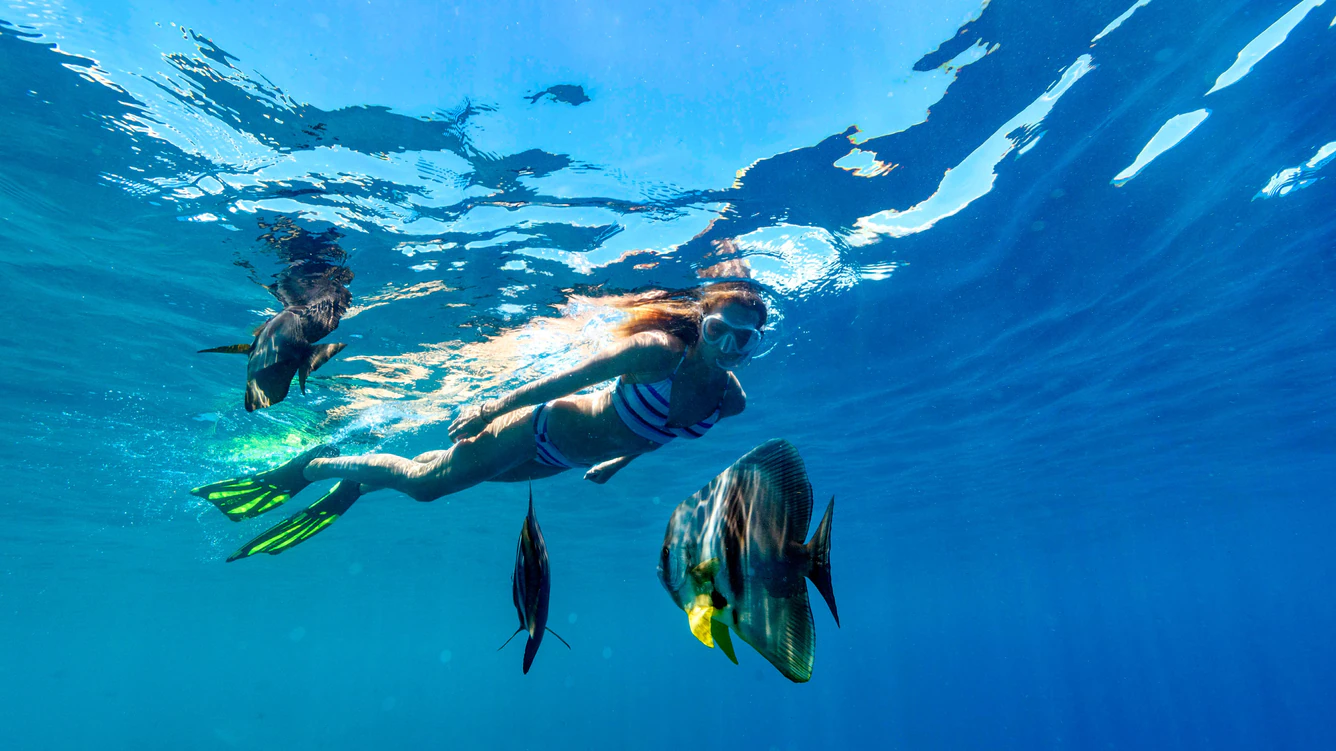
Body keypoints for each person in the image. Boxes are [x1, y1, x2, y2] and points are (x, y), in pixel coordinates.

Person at [191, 280, 768, 560]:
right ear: (703, 322)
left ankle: (358, 481)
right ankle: (314, 468)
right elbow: (568, 380)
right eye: (720, 330)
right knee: (426, 488)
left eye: (745, 339)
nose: (729, 345)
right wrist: (492, 408)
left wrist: (617, 463)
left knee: (438, 472)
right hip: (536, 427)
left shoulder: (730, 400)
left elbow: (662, 432)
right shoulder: (656, 352)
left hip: (559, 460)